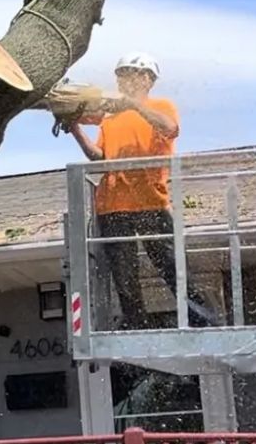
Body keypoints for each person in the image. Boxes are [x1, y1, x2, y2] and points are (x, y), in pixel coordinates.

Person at [65, 53, 213, 329]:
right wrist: (74, 128)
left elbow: (169, 128)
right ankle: (136, 324)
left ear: (147, 78)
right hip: (112, 205)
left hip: (150, 202)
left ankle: (204, 321)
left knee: (172, 266)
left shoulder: (161, 106)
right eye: (119, 74)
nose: (121, 80)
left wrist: (134, 106)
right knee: (124, 277)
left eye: (128, 74)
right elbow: (99, 157)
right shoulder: (110, 117)